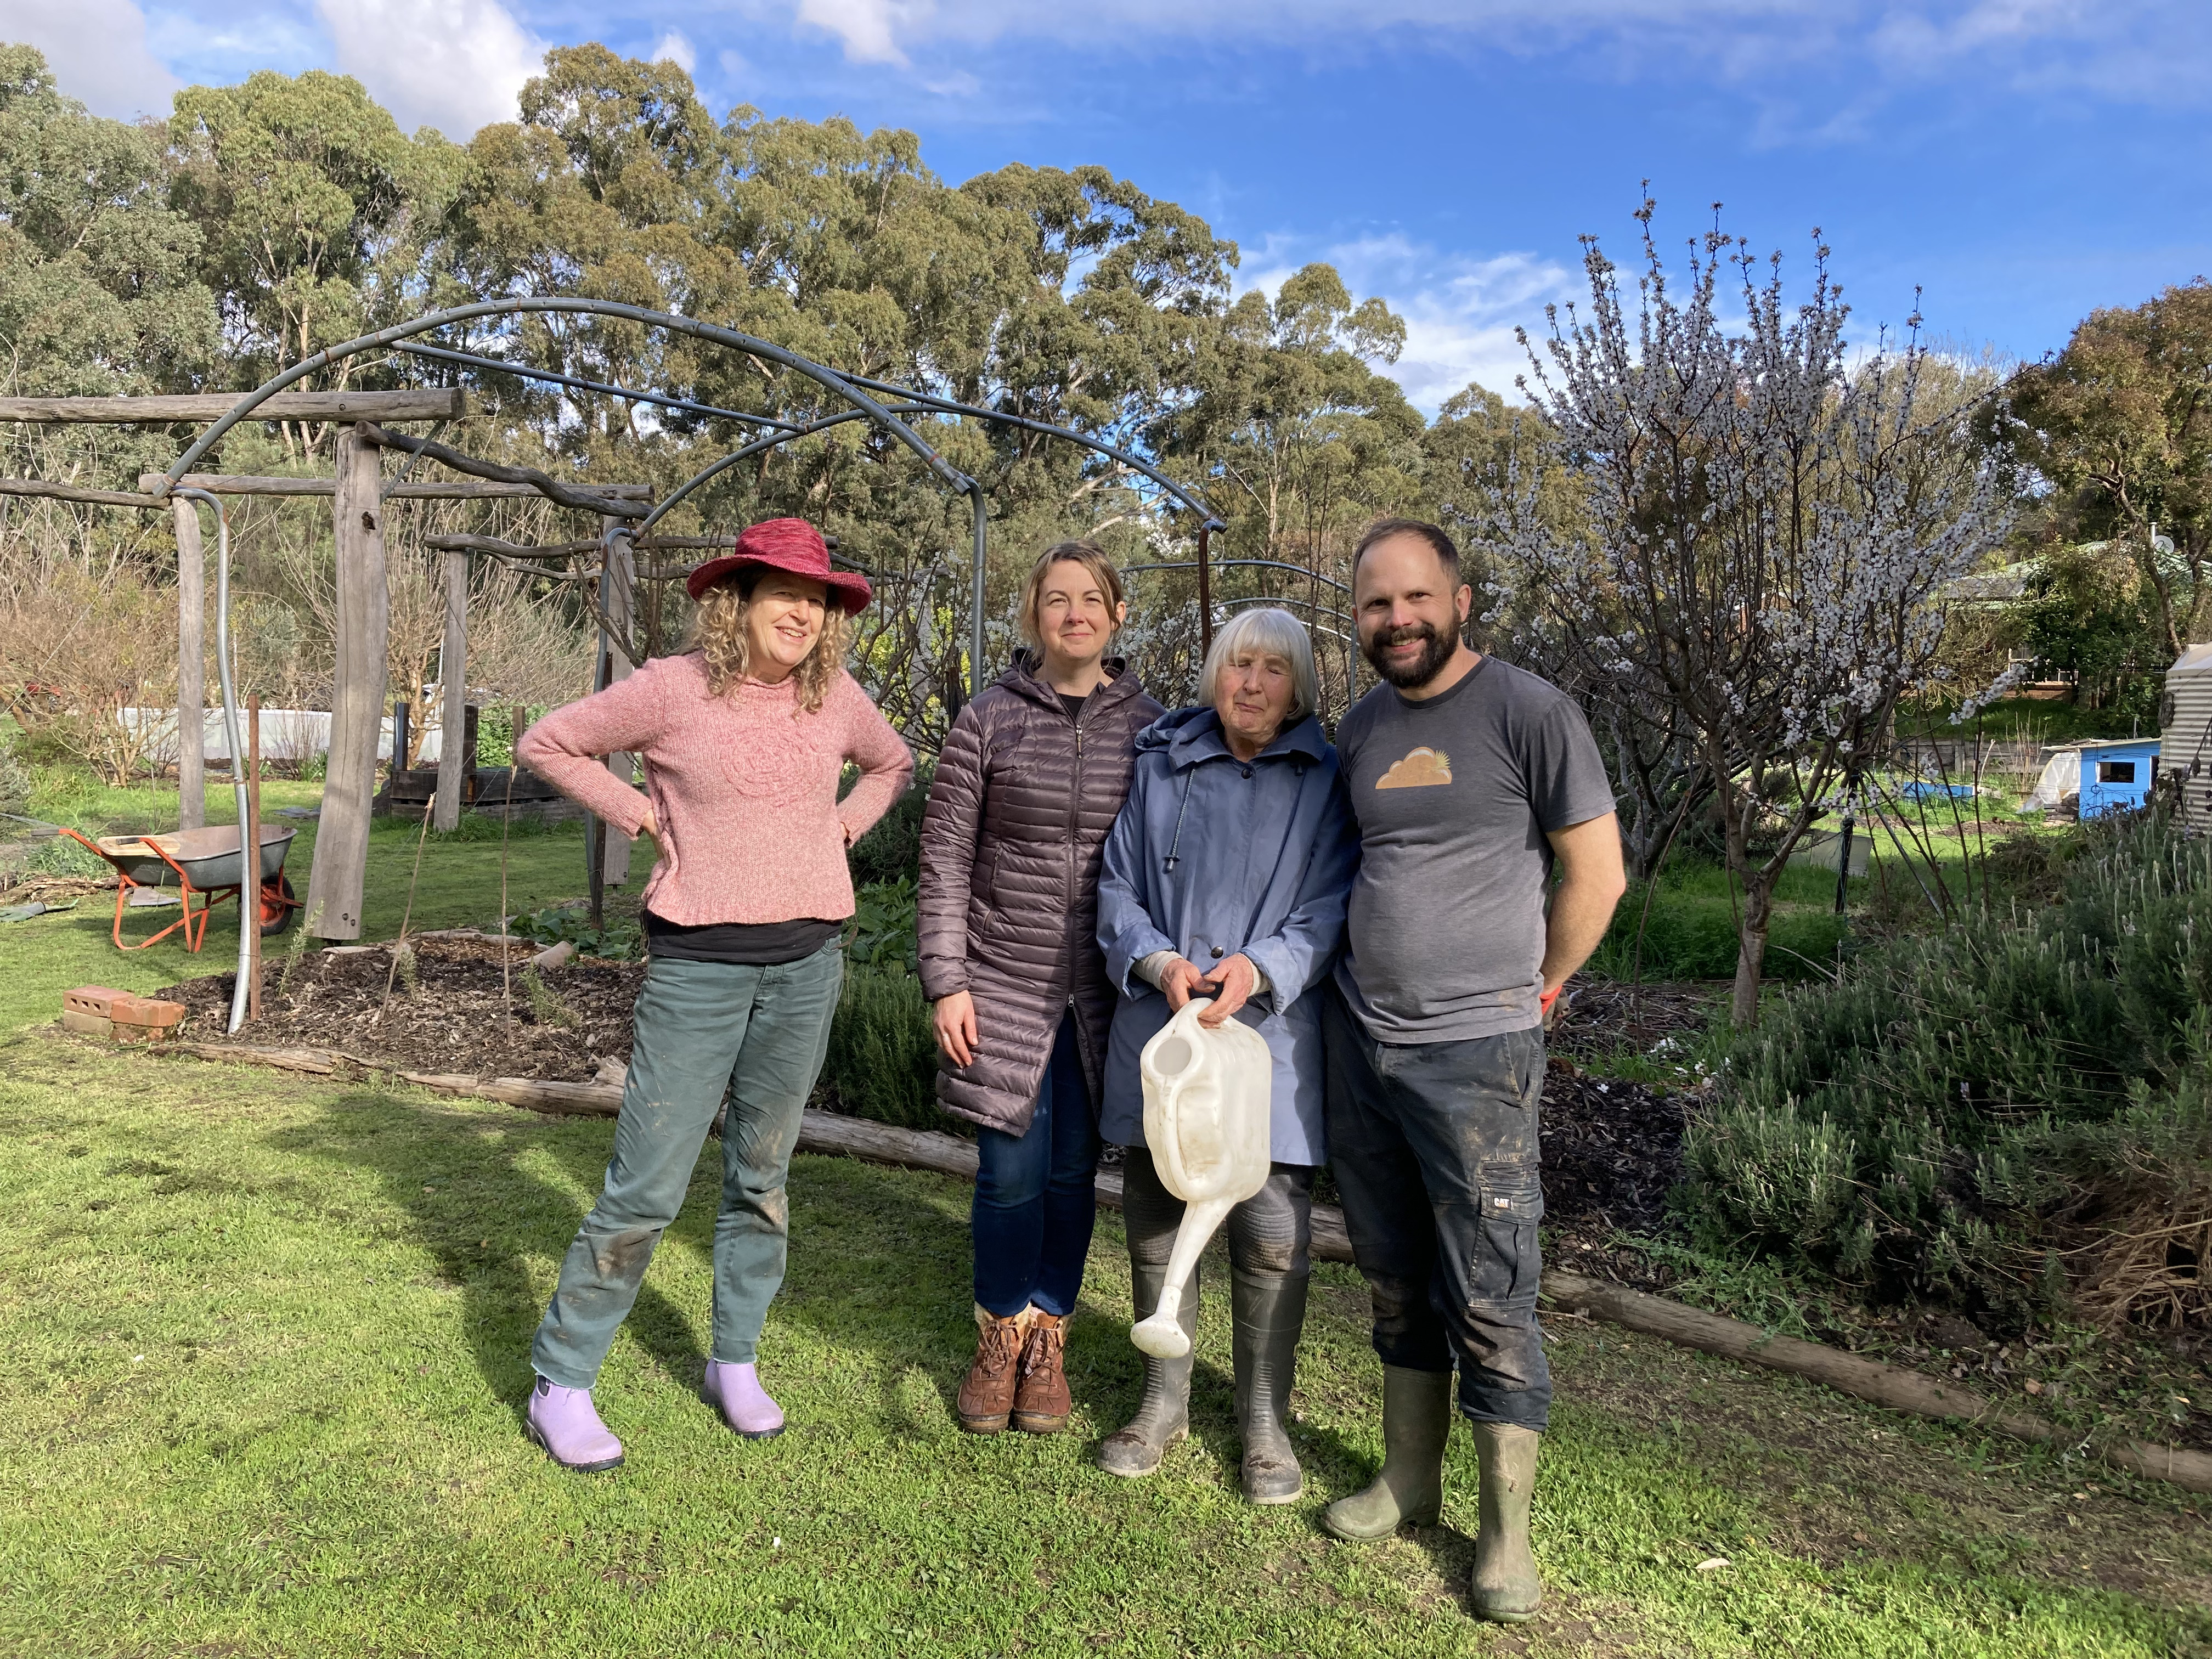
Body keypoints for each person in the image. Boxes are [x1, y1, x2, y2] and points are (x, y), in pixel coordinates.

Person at [514, 517, 914, 1472]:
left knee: (762, 1178)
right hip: (698, 969)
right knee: (646, 1187)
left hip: (807, 965)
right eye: (786, 594)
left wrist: (846, 826)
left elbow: (893, 763)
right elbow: (549, 742)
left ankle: (734, 1360)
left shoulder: (835, 697)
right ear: (738, 600)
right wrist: (637, 809)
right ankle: (561, 1382)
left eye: (818, 601)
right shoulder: (674, 687)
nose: (804, 614)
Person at [1319, 518, 1625, 1624]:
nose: (1395, 620)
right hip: (1365, 1044)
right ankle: (1406, 1480)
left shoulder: (1532, 714)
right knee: (1395, 1269)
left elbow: (1598, 869)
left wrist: (1540, 986)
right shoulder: (1359, 732)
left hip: (1479, 1051)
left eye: (1413, 598)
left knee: (1491, 1288)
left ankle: (1504, 1537)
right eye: (1373, 605)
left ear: (1459, 599)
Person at [1092, 607, 1358, 1503]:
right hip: (1166, 1032)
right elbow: (1117, 884)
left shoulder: (1327, 779)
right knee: (1159, 1218)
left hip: (1269, 1042)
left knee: (1271, 1232)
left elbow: (1332, 904)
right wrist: (1160, 962)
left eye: (1273, 671)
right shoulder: (1160, 766)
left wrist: (1261, 967)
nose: (1251, 684)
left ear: (1298, 688)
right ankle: (1162, 1400)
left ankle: (1263, 1419)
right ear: (1216, 675)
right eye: (1238, 666)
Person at [917, 540, 1161, 1436]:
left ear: (1117, 614)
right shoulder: (987, 720)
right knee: (1009, 1171)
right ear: (1034, 616)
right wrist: (947, 980)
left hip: (1106, 988)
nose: (1075, 615)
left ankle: (1049, 1334)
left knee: (1069, 1174)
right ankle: (999, 1333)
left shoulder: (1153, 726)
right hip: (1004, 979)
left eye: (1092, 598)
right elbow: (943, 857)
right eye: (1057, 600)